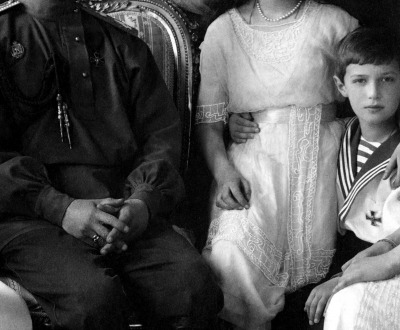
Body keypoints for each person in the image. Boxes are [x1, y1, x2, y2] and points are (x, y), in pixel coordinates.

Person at [0, 0, 222, 329]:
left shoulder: (123, 44)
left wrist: (142, 204)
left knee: (192, 288)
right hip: (26, 216)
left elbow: (160, 138)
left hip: (119, 210)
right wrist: (61, 208)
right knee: (94, 300)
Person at [195, 0, 359, 328]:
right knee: (230, 255)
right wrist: (224, 172)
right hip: (253, 163)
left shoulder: (336, 22)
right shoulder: (223, 30)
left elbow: (368, 87)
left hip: (324, 160)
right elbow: (208, 121)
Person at [304, 27, 400, 330]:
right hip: (343, 252)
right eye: (360, 81)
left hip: (386, 254)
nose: (373, 94)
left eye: (387, 79)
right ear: (341, 86)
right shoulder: (337, 134)